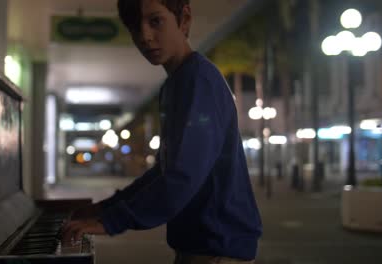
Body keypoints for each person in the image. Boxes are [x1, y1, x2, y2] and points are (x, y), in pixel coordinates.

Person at [62, 0, 262, 263]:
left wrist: (112, 221)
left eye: (155, 21)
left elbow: (181, 176)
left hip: (217, 248)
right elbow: (163, 171)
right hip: (202, 244)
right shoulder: (175, 85)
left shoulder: (198, 81)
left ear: (184, 19)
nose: (144, 36)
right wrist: (104, 209)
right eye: (135, 27)